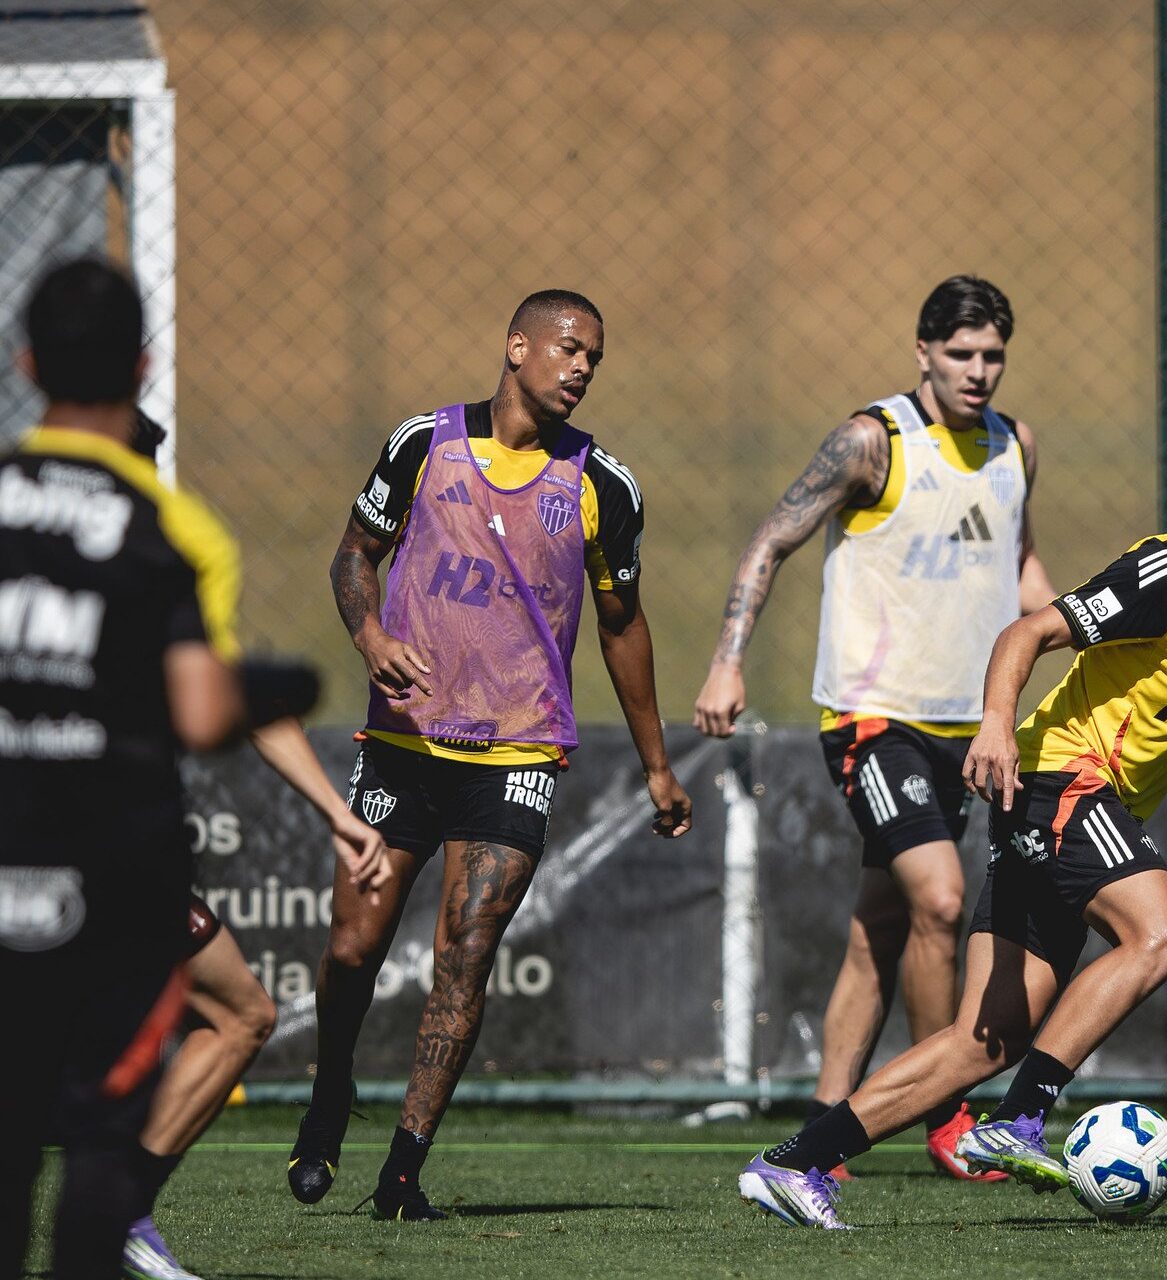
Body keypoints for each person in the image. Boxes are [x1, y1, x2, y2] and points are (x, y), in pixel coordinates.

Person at [738, 405, 1167, 1228]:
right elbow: (1027, 632)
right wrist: (996, 725)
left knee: (983, 1041)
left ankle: (794, 1164)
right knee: (1161, 933)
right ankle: (1023, 1119)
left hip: (1074, 798)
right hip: (1061, 779)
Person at [289, 289, 692, 1222]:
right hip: (404, 744)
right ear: (516, 347)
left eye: (595, 354)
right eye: (567, 347)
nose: (583, 367)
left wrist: (657, 764)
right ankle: (329, 1094)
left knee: (465, 954)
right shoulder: (422, 443)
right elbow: (356, 556)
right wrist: (369, 636)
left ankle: (401, 1176)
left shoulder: (605, 484)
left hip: (518, 751)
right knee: (354, 947)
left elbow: (622, 625)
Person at [694, 275, 1053, 1178]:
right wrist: (727, 660)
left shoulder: (1015, 445)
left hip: (964, 728)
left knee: (879, 924)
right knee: (938, 898)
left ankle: (827, 1112)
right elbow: (771, 538)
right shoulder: (871, 442)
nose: (979, 372)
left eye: (993, 355)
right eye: (962, 354)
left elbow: (1020, 564)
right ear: (923, 353)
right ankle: (946, 1115)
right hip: (871, 715)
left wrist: (1079, 635)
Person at [0, 259, 311, 1278]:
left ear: (27, 362)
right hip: (113, 884)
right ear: (141, 365)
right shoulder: (171, 530)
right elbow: (200, 709)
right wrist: (283, 679)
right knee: (97, 1145)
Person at [119, 407, 399, 1280]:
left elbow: (228, 696)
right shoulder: (163, 552)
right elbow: (222, 702)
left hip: (98, 849)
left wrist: (337, 811)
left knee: (239, 1011)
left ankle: (121, 1213)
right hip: (92, 845)